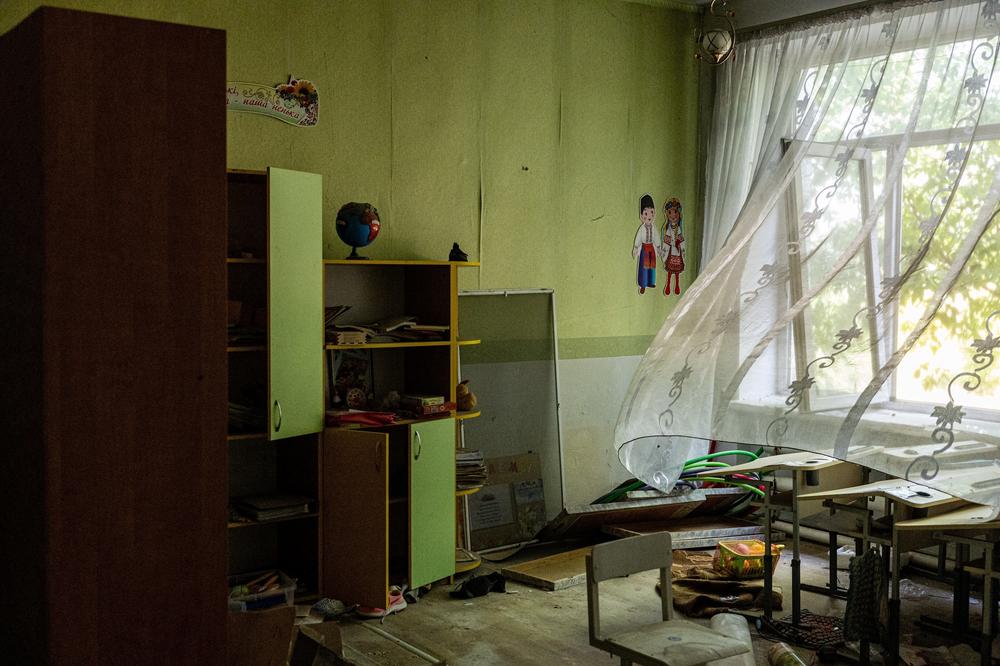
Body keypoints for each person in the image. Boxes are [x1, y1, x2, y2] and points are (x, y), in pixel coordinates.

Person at [632, 194, 659, 294]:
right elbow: (638, 238)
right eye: (646, 213)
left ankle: (651, 282)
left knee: (652, 266)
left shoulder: (654, 228)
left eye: (651, 212)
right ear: (641, 216)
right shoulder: (642, 228)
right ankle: (642, 284)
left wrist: (659, 247)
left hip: (651, 248)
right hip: (644, 248)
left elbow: (656, 237)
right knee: (644, 267)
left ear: (654, 213)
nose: (649, 216)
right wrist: (635, 248)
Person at [661, 197, 686, 295]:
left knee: (677, 271)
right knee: (670, 270)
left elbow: (681, 238)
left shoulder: (679, 228)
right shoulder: (668, 229)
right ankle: (668, 285)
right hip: (671, 251)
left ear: (679, 214)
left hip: (677, 251)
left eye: (675, 212)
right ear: (667, 214)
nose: (673, 215)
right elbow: (666, 239)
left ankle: (677, 285)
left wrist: (679, 242)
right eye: (670, 212)